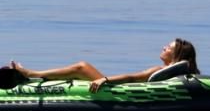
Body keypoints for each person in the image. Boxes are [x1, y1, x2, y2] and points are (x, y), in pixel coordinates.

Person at [11, 38, 199, 93]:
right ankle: (34, 77)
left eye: (168, 47)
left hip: (119, 92)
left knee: (81, 67)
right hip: (124, 90)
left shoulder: (159, 70)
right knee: (79, 72)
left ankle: (31, 73)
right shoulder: (172, 73)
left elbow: (132, 77)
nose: (163, 47)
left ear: (176, 55)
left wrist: (105, 79)